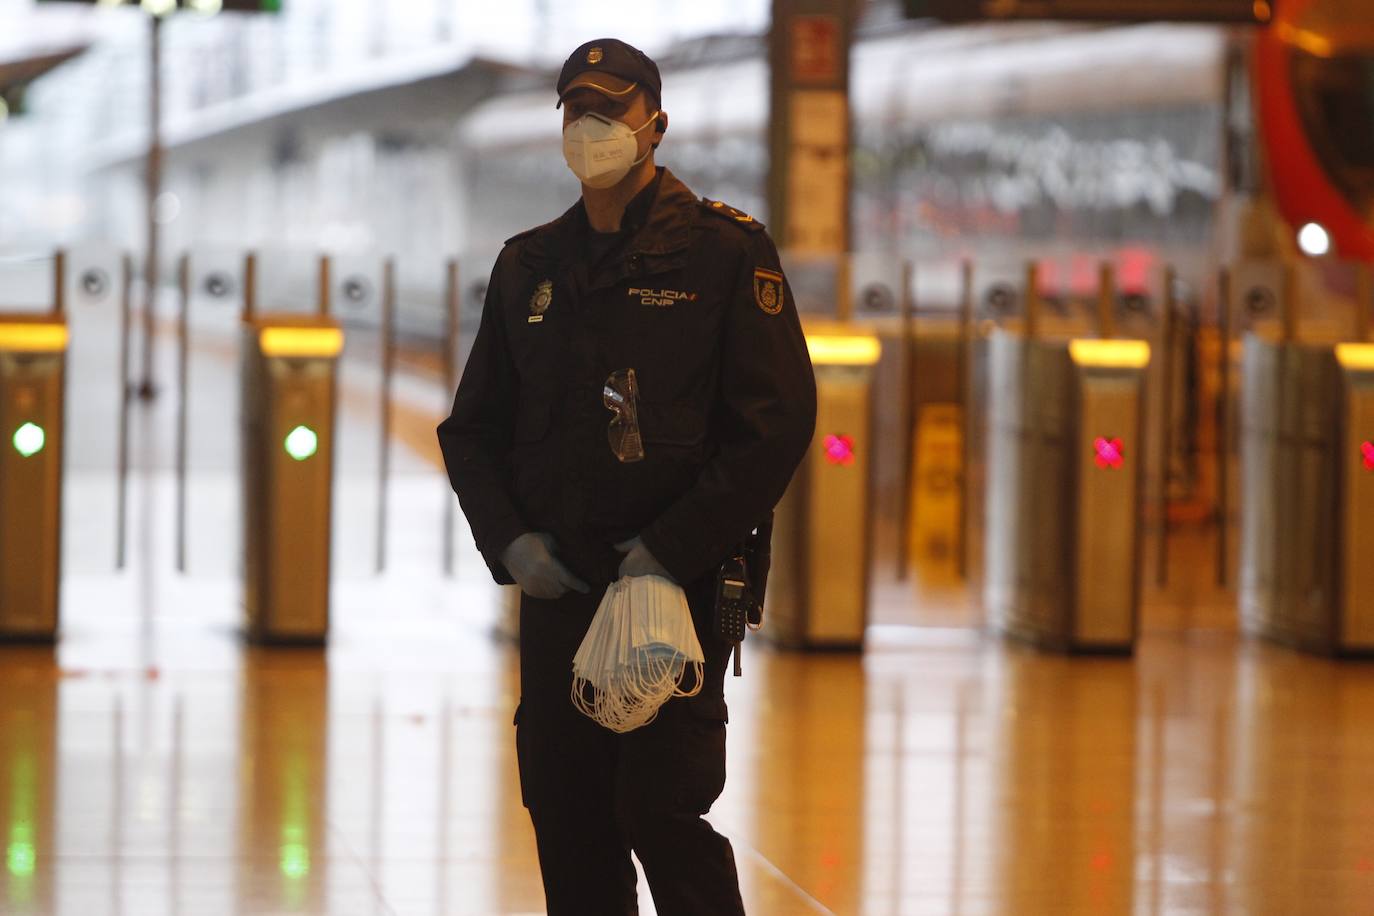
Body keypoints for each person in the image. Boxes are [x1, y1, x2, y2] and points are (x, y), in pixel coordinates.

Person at [437, 37, 816, 915]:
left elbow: (775, 424)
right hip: (560, 583)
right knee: (567, 814)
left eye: (608, 112)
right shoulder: (528, 265)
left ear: (655, 126)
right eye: (575, 111)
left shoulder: (726, 255)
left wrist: (667, 548)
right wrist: (511, 543)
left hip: (673, 590)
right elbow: (472, 429)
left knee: (659, 809)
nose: (590, 129)